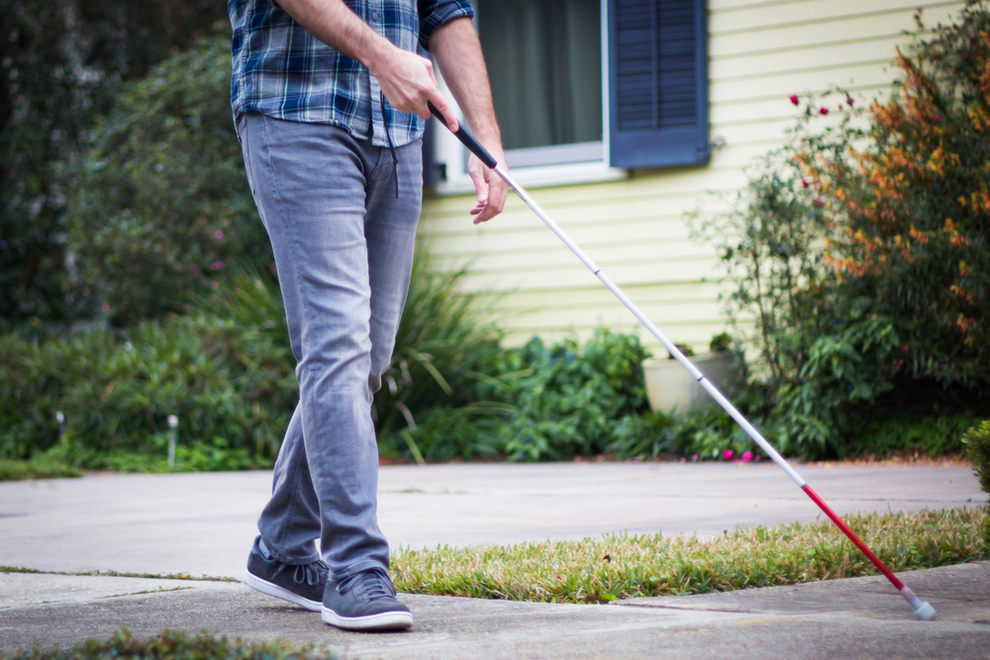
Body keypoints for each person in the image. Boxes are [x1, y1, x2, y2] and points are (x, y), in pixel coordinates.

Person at [226, 0, 507, 632]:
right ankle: (354, 565)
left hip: (399, 132)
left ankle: (280, 543)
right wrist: (382, 55)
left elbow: (446, 9)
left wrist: (486, 139)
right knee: (339, 349)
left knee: (367, 359)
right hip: (296, 111)